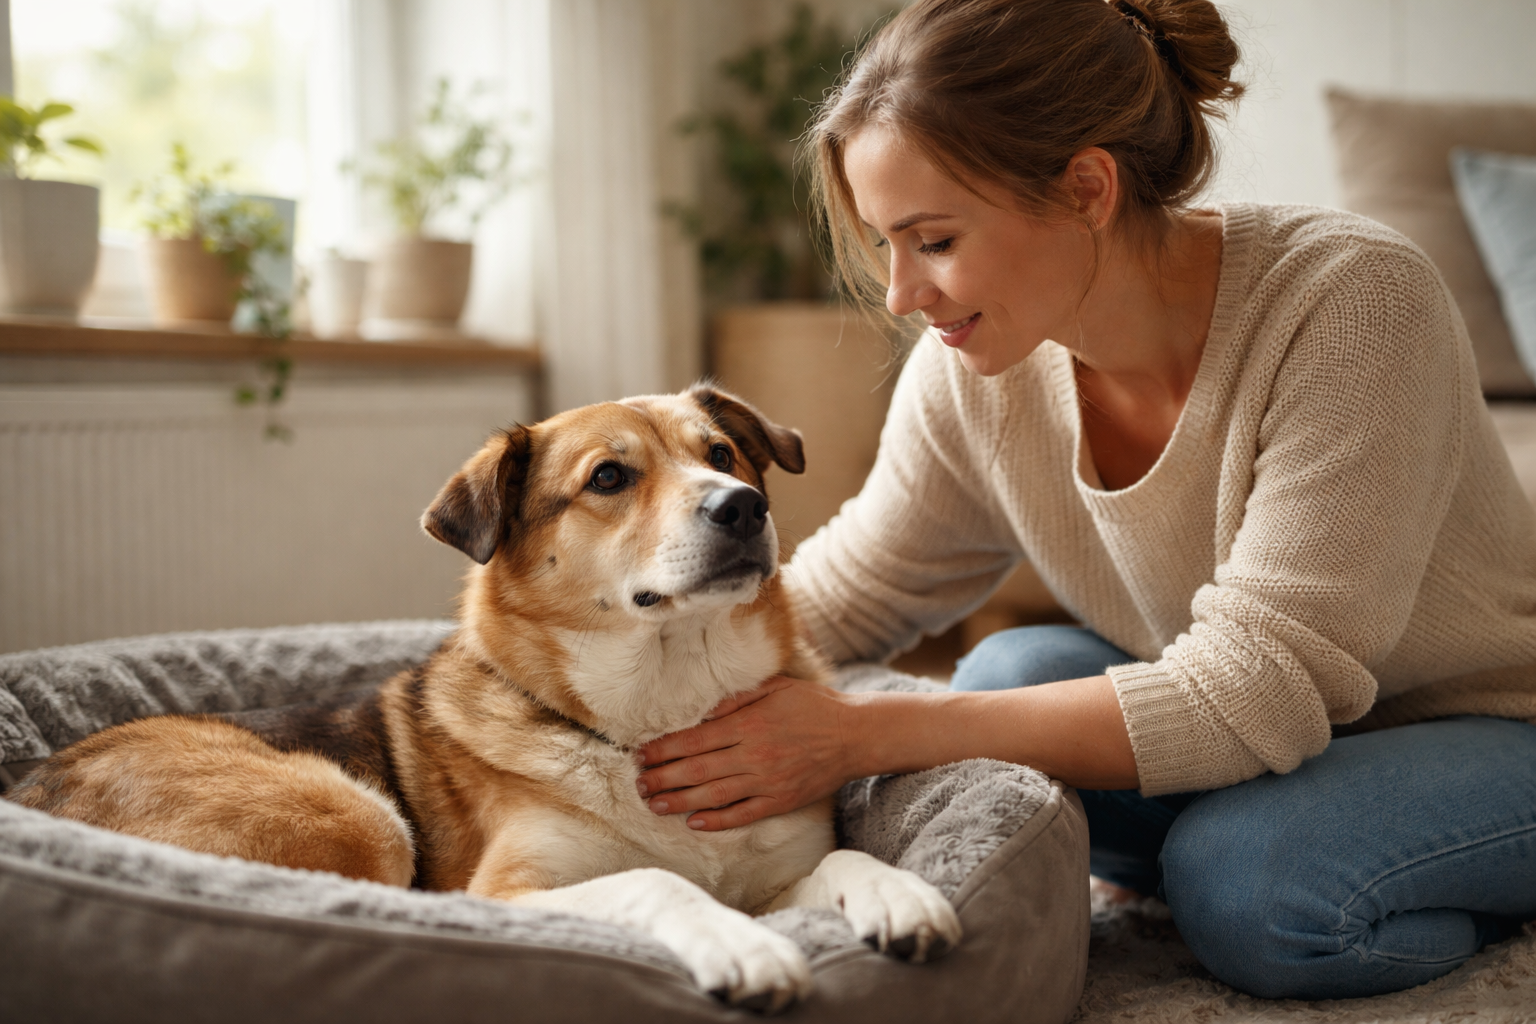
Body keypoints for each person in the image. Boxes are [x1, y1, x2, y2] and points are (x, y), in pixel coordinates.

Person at [634, 0, 1536, 1000]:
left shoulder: (1353, 301)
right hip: (1278, 743)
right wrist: (568, 678)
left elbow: (1259, 687)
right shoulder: (974, 365)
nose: (900, 294)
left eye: (931, 240)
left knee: (1252, 884)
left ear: (1088, 187)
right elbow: (857, 593)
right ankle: (1256, 844)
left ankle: (1360, 864)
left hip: (1492, 725)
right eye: (886, 245)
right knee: (1010, 671)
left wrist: (859, 736)